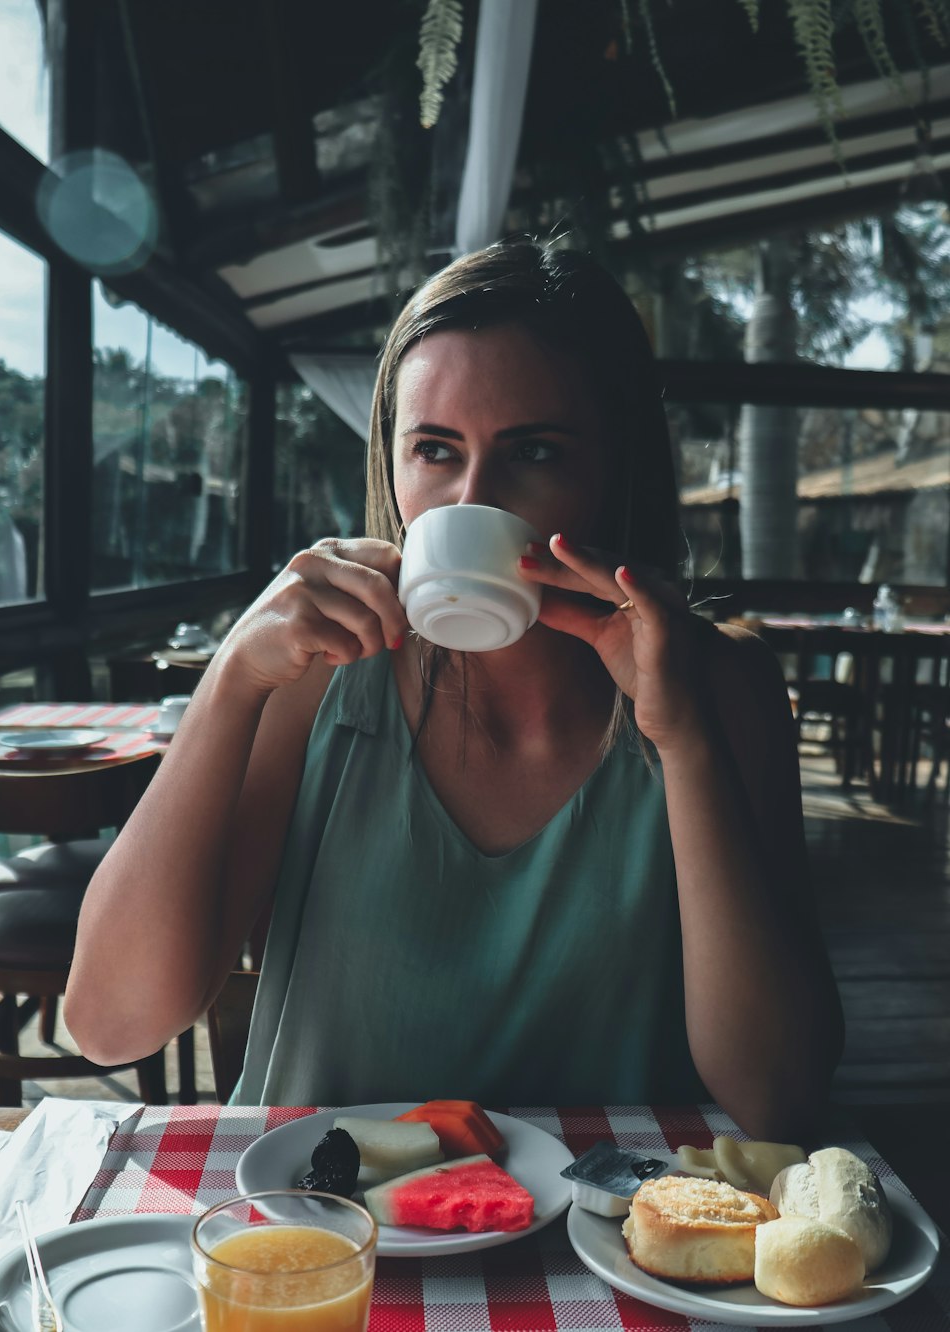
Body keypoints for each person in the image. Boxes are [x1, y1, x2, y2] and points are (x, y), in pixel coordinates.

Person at [66, 240, 844, 1138]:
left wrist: (682, 737)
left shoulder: (721, 688)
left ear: (615, 470)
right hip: (328, 1244)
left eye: (535, 452)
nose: (472, 500)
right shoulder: (316, 684)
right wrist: (232, 679)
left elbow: (780, 1096)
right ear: (391, 470)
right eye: (435, 450)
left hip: (608, 1252)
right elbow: (110, 1023)